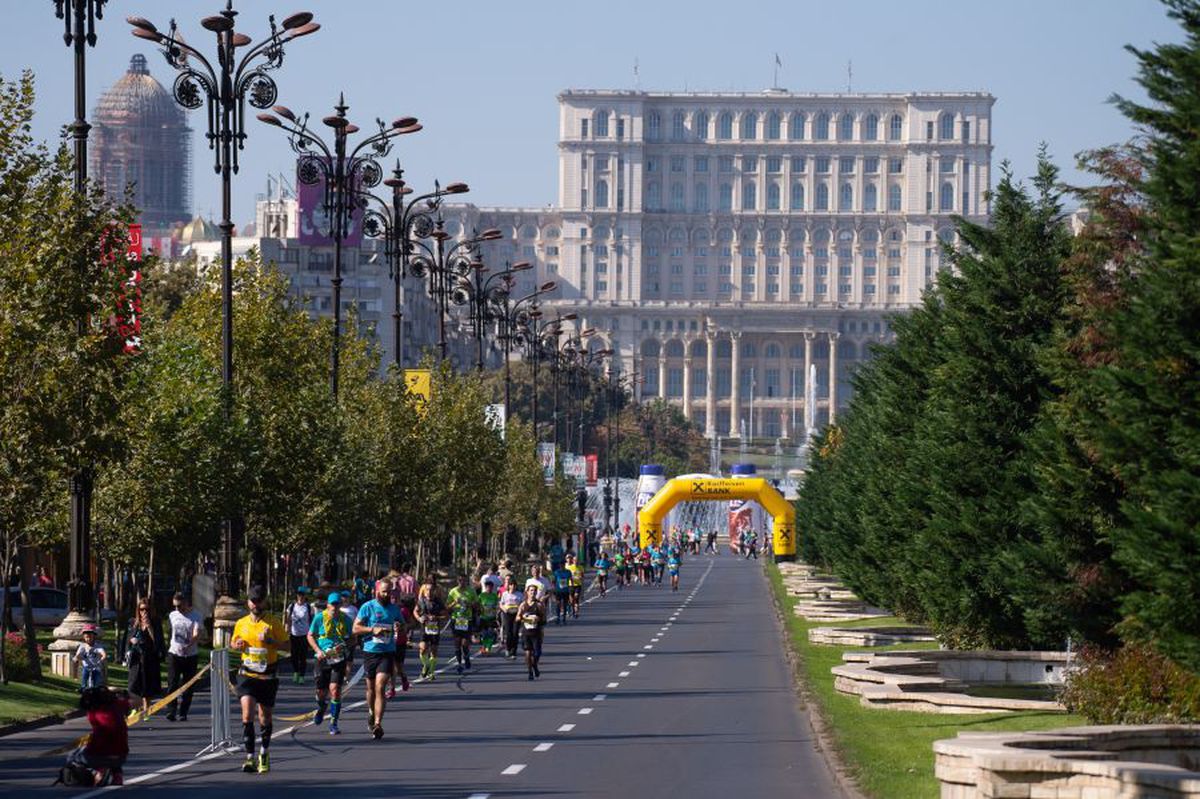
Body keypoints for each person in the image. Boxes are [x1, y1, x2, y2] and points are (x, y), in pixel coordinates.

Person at [230, 586, 287, 774]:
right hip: (247, 675)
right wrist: (236, 644)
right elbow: (233, 642)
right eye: (253, 601)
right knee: (247, 714)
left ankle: (264, 752)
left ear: (265, 602)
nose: (256, 604)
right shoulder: (241, 623)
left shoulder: (273, 623)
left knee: (265, 717)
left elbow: (288, 646)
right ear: (248, 602)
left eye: (259, 601)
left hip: (268, 676)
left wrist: (271, 642)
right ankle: (249, 758)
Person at [353, 580, 404, 740]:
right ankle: (370, 710)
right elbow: (355, 628)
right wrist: (372, 629)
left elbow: (405, 625)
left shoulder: (394, 609)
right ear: (377, 591)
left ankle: (377, 724)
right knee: (370, 690)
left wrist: (399, 627)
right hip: (370, 652)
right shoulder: (367, 607)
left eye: (389, 592)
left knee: (380, 686)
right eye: (384, 592)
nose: (387, 595)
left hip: (387, 652)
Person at [307, 592, 352, 735]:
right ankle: (321, 708)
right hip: (322, 658)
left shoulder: (346, 619)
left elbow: (353, 638)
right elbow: (310, 635)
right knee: (321, 692)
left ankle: (334, 723)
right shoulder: (319, 617)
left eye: (337, 604)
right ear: (328, 604)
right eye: (332, 604)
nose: (335, 607)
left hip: (338, 659)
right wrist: (318, 650)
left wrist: (344, 646)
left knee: (335, 690)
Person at [68, 687, 130, 786]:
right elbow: (136, 700)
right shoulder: (118, 705)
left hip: (98, 754)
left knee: (72, 756)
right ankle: (117, 775)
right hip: (122, 756)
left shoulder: (93, 713)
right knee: (115, 747)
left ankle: (98, 770)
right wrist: (118, 690)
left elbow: (94, 745)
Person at [124, 599, 164, 720]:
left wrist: (149, 627)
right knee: (134, 683)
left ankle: (147, 710)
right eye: (142, 609)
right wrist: (131, 641)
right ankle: (135, 709)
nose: (144, 612)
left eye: (146, 609)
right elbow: (127, 639)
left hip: (149, 657)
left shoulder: (155, 622)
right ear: (138, 610)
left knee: (148, 684)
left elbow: (157, 641)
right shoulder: (133, 622)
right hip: (136, 658)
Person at [165, 594, 201, 722]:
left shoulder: (196, 615)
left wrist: (189, 644)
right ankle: (171, 710)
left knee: (188, 685)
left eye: (179, 605)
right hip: (174, 653)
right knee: (172, 683)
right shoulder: (172, 615)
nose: (177, 608)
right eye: (175, 606)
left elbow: (197, 634)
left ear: (186, 603)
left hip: (190, 655)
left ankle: (183, 712)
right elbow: (170, 632)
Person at [415, 573, 447, 681]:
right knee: (422, 649)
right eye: (427, 590)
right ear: (424, 590)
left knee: (433, 652)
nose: (428, 592)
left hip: (434, 629)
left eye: (431, 590)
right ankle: (426, 665)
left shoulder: (438, 602)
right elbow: (415, 612)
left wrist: (437, 618)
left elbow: (446, 615)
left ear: (434, 590)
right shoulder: (421, 601)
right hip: (424, 628)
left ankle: (431, 673)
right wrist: (419, 618)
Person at [447, 573, 479, 674]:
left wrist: (470, 604)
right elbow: (447, 607)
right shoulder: (453, 591)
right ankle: (459, 664)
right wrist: (454, 603)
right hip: (456, 619)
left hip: (467, 619)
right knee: (457, 643)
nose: (462, 582)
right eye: (460, 580)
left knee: (465, 643)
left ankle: (466, 656)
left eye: (464, 580)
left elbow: (477, 604)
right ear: (457, 581)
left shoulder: (471, 591)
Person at [284, 587, 314, 685]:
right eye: (299, 594)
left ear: (305, 596)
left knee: (303, 657)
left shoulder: (309, 607)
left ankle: (301, 675)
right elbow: (288, 619)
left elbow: (312, 621)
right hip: (294, 634)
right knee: (294, 656)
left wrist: (312, 633)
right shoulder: (292, 606)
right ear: (297, 596)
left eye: (302, 595)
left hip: (305, 635)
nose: (300, 597)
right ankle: (296, 672)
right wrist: (287, 628)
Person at [517, 584, 546, 680]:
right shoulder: (523, 605)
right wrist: (524, 618)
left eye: (534, 591)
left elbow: (544, 619)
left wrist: (537, 618)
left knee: (537, 653)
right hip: (526, 632)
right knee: (528, 653)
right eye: (531, 591)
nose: (533, 593)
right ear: (527, 592)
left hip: (536, 632)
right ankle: (530, 672)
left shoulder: (539, 605)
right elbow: (517, 618)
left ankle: (535, 665)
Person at [75, 624, 106, 690]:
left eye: (90, 637)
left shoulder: (97, 646)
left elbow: (103, 654)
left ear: (94, 637)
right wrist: (78, 657)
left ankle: (97, 689)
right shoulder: (82, 646)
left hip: (96, 667)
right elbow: (78, 655)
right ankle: (83, 688)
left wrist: (102, 659)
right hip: (86, 667)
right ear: (84, 637)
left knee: (97, 680)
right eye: (86, 637)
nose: (88, 639)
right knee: (84, 677)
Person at [498, 576, 522, 660]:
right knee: (509, 633)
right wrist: (504, 608)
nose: (513, 586)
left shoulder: (519, 594)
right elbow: (501, 603)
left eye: (514, 585)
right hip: (507, 614)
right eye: (511, 585)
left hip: (516, 614)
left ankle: (513, 651)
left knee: (515, 633)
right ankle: (508, 648)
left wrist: (519, 611)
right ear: (509, 586)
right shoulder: (505, 594)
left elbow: (522, 604)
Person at [477, 578, 500, 655]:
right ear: (485, 587)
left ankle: (488, 649)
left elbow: (498, 605)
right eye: (487, 587)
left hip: (491, 618)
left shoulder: (494, 596)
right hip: (483, 618)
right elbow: (477, 605)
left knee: (490, 633)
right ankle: (484, 646)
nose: (489, 588)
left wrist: (495, 609)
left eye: (490, 587)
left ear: (492, 588)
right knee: (484, 634)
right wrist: (480, 609)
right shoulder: (481, 595)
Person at [550, 560, 572, 625]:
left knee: (565, 604)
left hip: (566, 590)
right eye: (561, 565)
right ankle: (558, 618)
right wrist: (553, 588)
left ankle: (564, 618)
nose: (562, 566)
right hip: (558, 591)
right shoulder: (556, 572)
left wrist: (571, 587)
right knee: (558, 604)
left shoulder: (568, 572)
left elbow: (571, 580)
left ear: (564, 565)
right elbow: (553, 581)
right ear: (559, 566)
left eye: (563, 565)